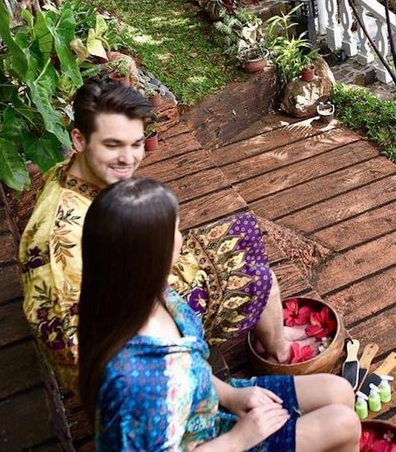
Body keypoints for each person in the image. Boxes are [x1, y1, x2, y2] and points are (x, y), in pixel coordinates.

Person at [18, 76, 292, 393]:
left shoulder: (70, 172)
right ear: (79, 140)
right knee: (262, 279)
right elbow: (76, 349)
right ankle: (281, 355)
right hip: (129, 330)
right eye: (112, 145)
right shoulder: (60, 243)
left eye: (136, 144)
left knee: (243, 234)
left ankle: (274, 339)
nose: (129, 159)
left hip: (127, 276)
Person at [78, 179, 360, 451]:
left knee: (340, 391)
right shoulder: (132, 383)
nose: (182, 238)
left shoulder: (147, 293)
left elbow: (189, 365)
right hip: (215, 442)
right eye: (176, 230)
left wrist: (231, 395)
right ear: (153, 254)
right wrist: (240, 439)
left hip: (209, 407)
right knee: (344, 425)